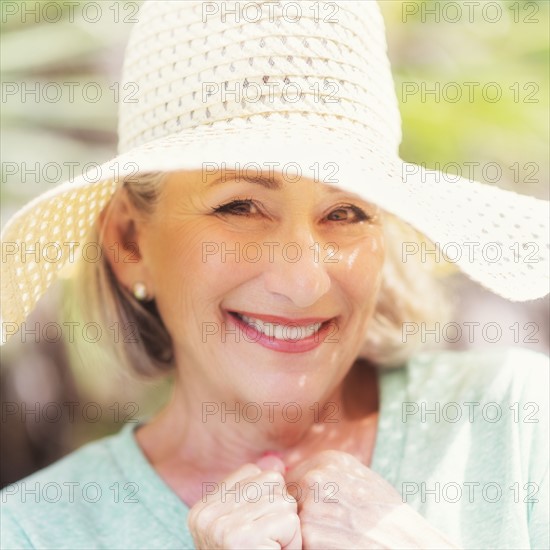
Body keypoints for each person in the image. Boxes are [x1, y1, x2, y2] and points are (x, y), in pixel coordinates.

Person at [1, 1, 548, 549]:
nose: (304, 282)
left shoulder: (516, 421)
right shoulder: (36, 529)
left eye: (346, 213)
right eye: (240, 206)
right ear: (129, 240)